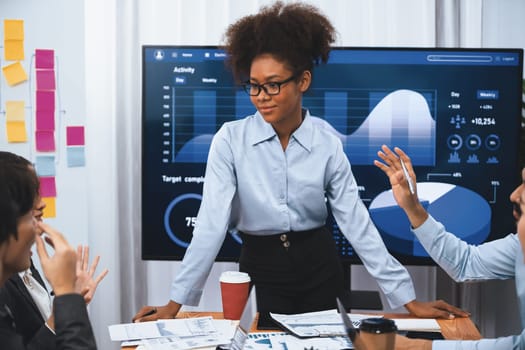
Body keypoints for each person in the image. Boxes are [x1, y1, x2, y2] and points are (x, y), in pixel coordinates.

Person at [133, 1, 466, 322]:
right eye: (254, 86)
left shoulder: (327, 144)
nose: (261, 96)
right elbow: (210, 225)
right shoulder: (229, 141)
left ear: (302, 81)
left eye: (273, 85)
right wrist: (174, 304)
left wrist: (407, 301)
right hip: (261, 263)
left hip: (319, 264)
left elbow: (357, 225)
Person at [374, 144, 525, 349]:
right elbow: (465, 263)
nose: (515, 195)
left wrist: (411, 347)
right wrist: (413, 207)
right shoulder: (519, 244)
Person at [0, 152, 108, 348]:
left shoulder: (20, 261)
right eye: (33, 216)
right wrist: (67, 297)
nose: (39, 228)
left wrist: (67, 302)